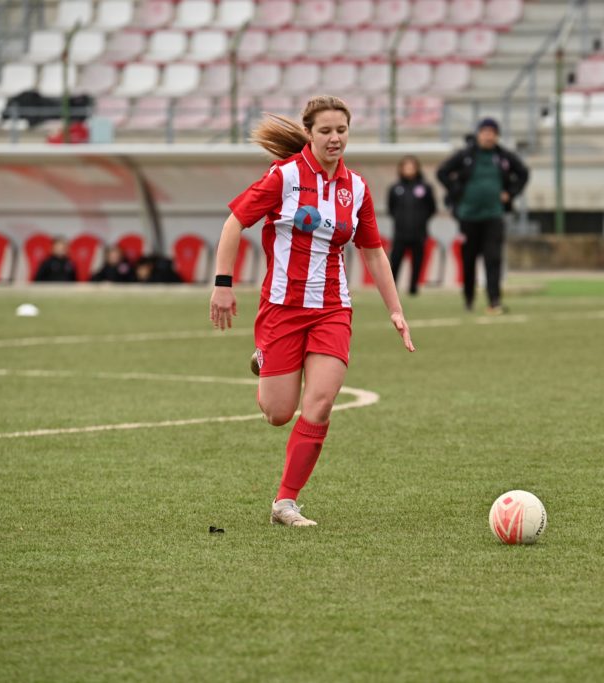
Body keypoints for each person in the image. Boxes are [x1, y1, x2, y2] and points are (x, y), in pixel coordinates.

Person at [209, 95, 415, 527]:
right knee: (278, 413)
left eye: (341, 130)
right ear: (309, 133)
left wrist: (395, 310)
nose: (335, 138)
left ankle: (286, 502)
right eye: (325, 131)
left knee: (319, 404)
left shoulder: (356, 188)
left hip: (332, 310)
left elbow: (374, 252)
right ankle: (266, 357)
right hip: (282, 309)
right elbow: (233, 223)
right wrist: (222, 286)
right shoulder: (282, 177)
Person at [436, 117, 528, 314]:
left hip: (494, 215)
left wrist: (510, 193)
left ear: (497, 136)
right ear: (478, 134)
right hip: (468, 216)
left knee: (493, 258)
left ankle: (494, 301)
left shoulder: (503, 157)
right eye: (485, 132)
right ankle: (468, 299)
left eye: (492, 132)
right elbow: (442, 172)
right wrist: (457, 191)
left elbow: (523, 173)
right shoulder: (466, 155)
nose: (488, 136)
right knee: (469, 260)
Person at [387, 155, 436, 295]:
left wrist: (421, 220)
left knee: (417, 261)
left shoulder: (425, 188)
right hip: (400, 233)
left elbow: (432, 208)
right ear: (401, 169)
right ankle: (392, 288)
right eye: (406, 167)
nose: (409, 170)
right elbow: (391, 208)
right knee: (395, 261)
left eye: (412, 167)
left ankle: (413, 287)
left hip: (419, 233)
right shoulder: (395, 188)